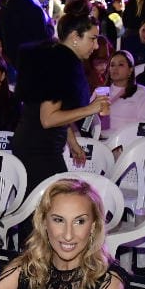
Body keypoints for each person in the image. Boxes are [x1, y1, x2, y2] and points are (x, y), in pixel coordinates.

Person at [12, 10, 109, 190]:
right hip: (38, 150)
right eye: (92, 39)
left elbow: (55, 109)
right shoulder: (61, 64)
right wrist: (91, 108)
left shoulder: (56, 58)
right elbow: (48, 119)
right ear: (75, 37)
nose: (96, 46)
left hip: (38, 144)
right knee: (56, 199)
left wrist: (72, 141)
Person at [0, 0, 53, 66]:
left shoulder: (5, 8)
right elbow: (44, 38)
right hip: (31, 64)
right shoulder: (34, 10)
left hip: (10, 63)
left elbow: (0, 35)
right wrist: (50, 25)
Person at [104, 49, 145, 132]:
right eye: (112, 65)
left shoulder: (140, 92)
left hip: (127, 138)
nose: (115, 68)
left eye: (120, 65)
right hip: (100, 137)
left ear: (130, 70)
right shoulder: (101, 91)